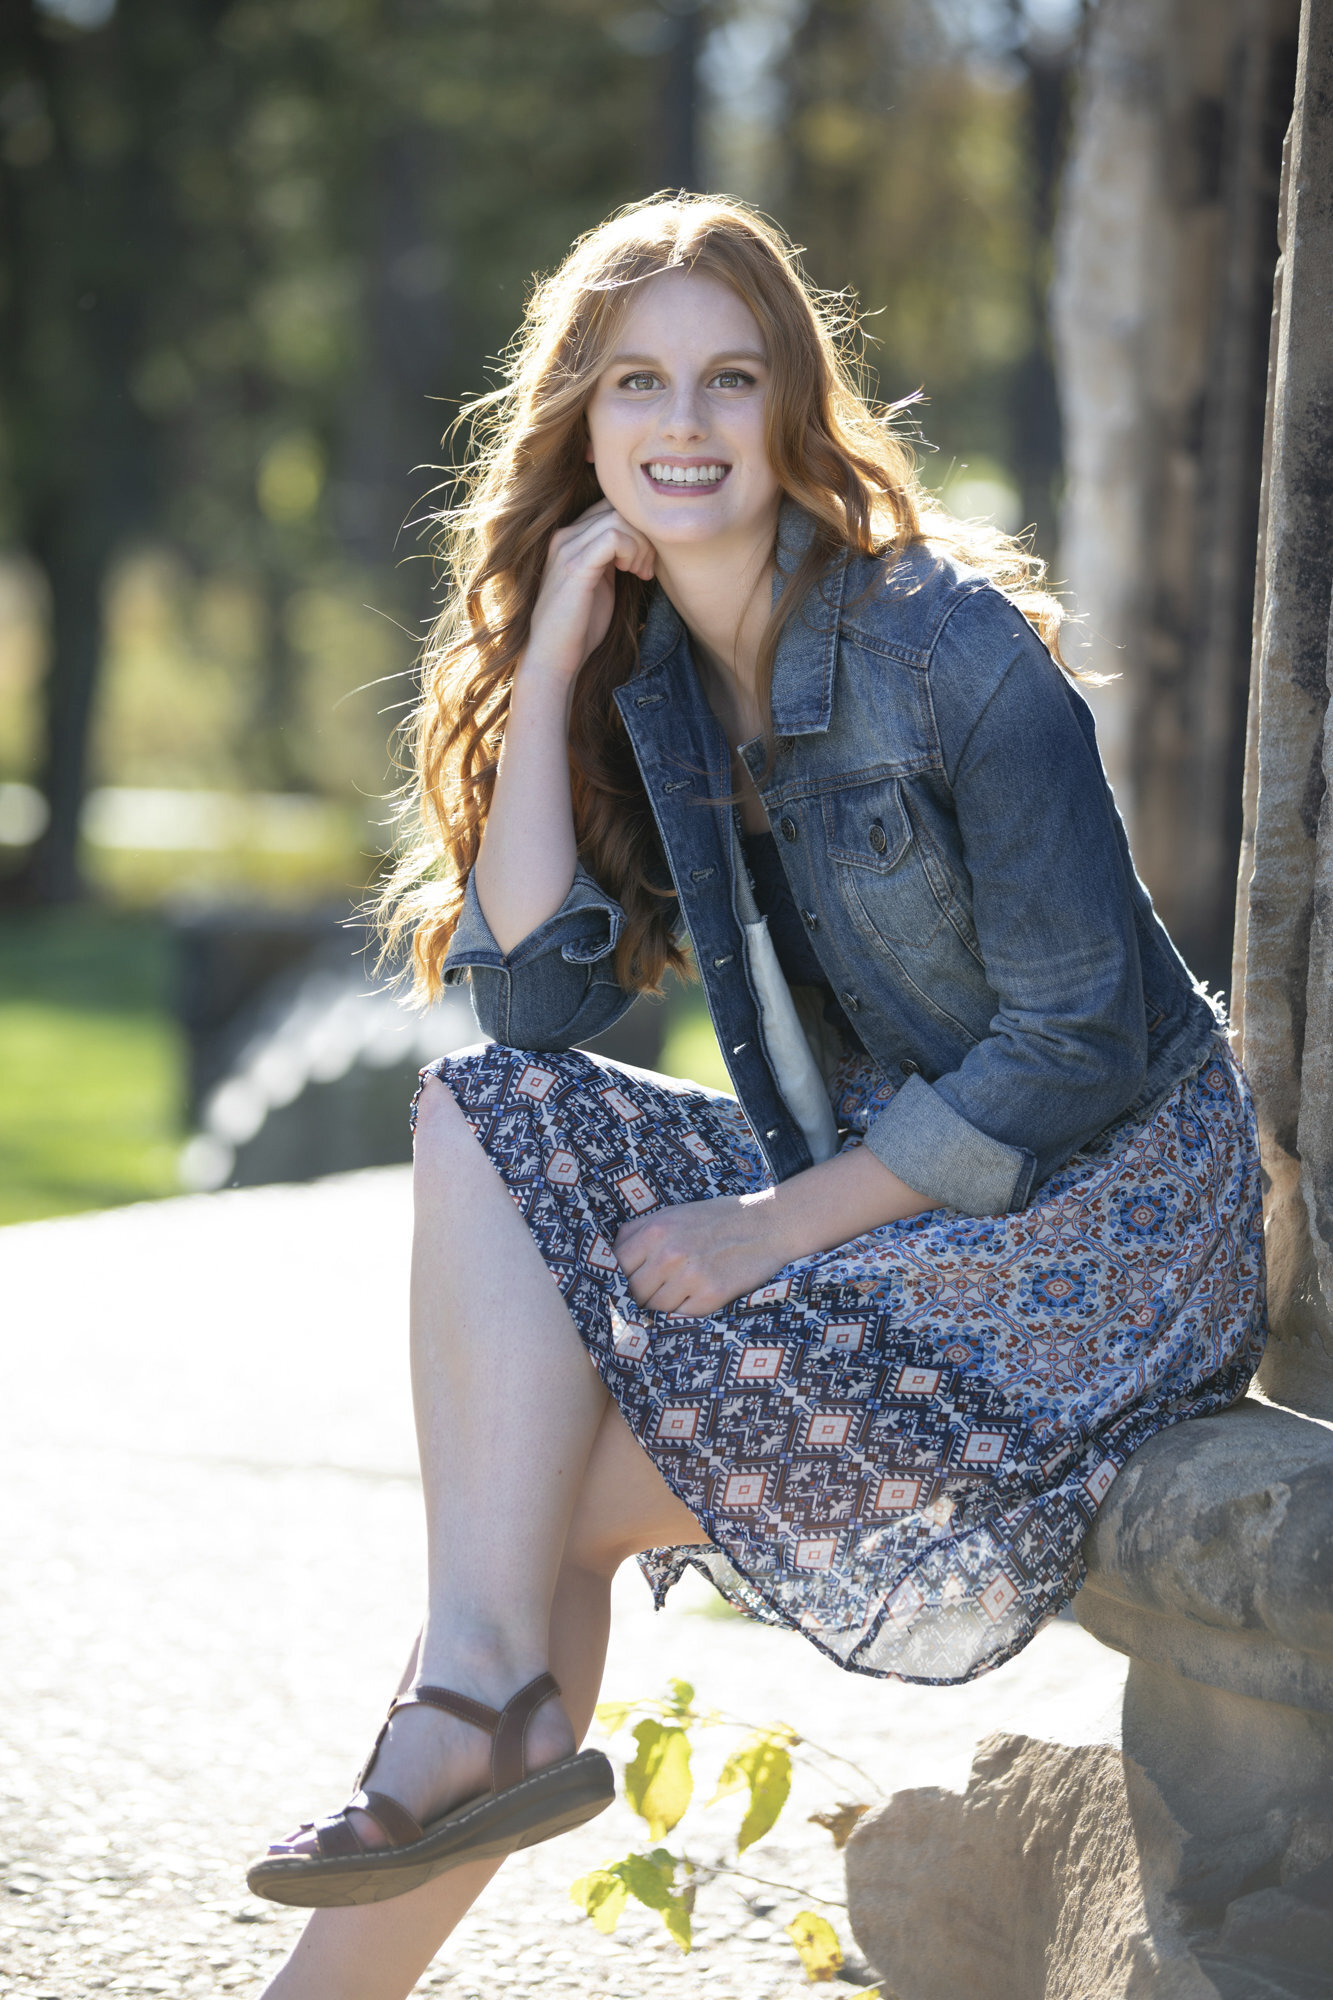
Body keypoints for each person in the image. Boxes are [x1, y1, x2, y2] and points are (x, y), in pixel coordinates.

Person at [249, 194, 1266, 1999]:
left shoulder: (949, 654)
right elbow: (538, 997)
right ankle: (472, 1701)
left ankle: (445, 1748)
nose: (685, 426)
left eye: (729, 378)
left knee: (544, 1503)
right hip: (894, 1186)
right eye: (637, 384)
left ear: (793, 406)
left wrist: (768, 1228)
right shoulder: (641, 669)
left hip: (1112, 1220)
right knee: (486, 1111)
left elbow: (1074, 1049)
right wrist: (552, 651)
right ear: (582, 425)